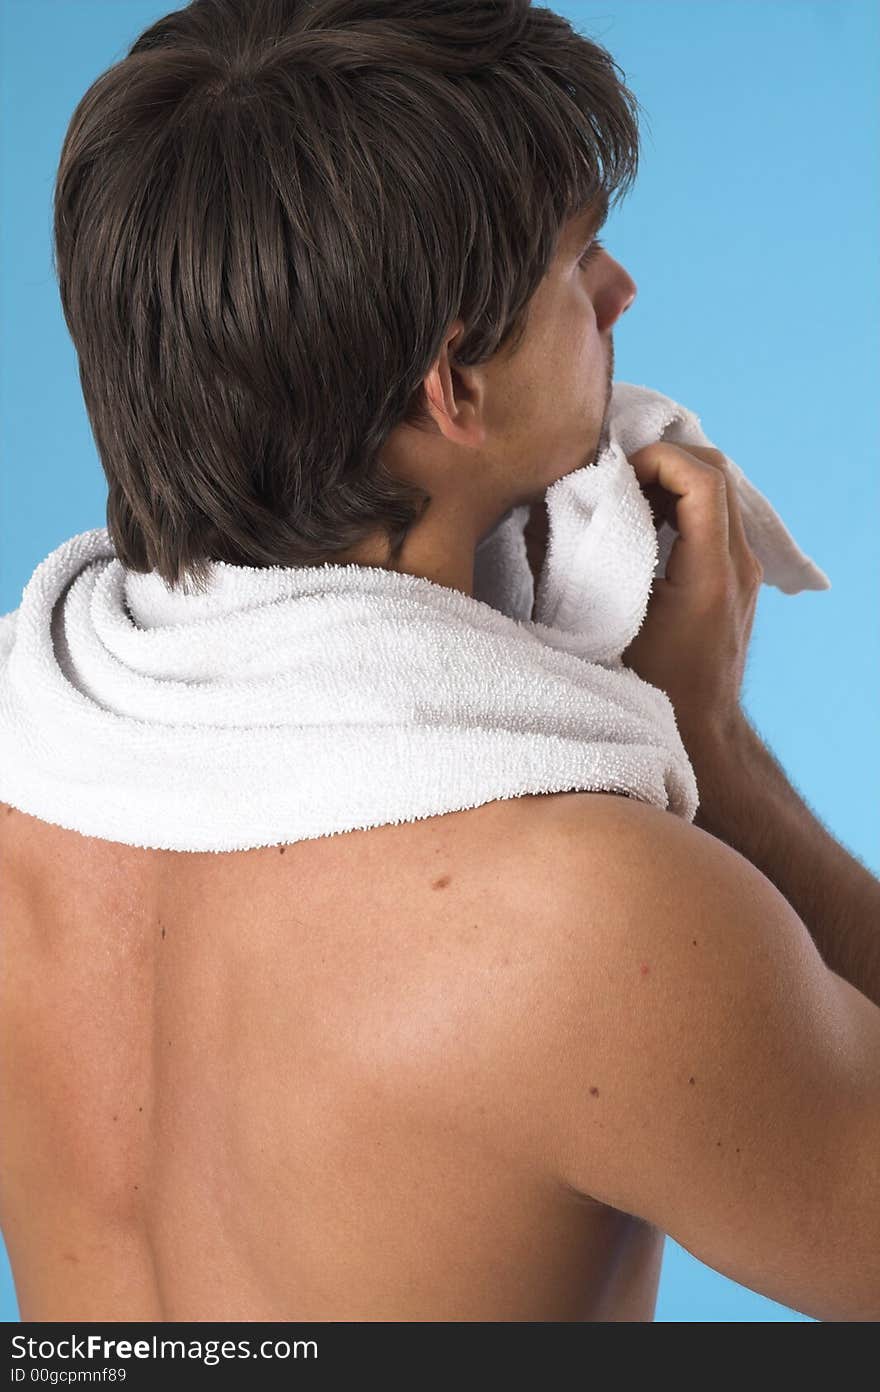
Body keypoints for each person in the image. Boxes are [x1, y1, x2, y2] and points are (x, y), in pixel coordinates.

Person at [1, 0, 878, 1323]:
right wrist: (710, 745)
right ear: (450, 390)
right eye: (575, 266)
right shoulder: (578, 915)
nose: (619, 292)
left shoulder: (27, 780)